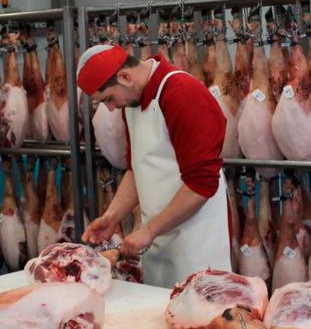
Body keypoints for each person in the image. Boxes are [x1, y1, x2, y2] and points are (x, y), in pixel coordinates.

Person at [78, 43, 231, 288]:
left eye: (108, 99)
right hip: (157, 240)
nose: (110, 107)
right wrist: (112, 216)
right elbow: (137, 169)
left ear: (125, 76)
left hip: (196, 244)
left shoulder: (182, 93)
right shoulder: (132, 101)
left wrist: (149, 230)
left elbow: (201, 184)